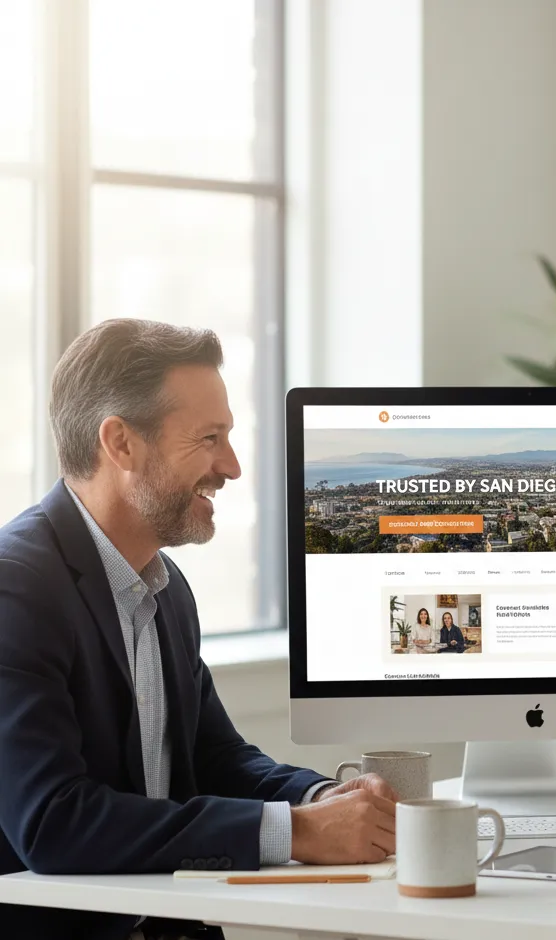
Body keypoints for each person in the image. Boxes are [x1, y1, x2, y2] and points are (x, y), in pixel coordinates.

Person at [0, 320, 399, 940]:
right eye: (209, 438)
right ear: (121, 443)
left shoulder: (165, 586)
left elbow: (215, 757)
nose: (232, 467)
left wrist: (322, 798)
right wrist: (294, 833)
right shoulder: (15, 588)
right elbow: (54, 823)